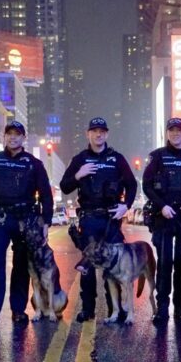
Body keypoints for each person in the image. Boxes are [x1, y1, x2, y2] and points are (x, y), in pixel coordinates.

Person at [0, 121, 54, 328]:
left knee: (21, 267)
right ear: (4, 137)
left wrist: (46, 221)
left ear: (23, 138)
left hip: (25, 220)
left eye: (17, 134)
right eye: (9, 134)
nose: (13, 138)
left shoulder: (33, 163)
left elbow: (46, 194)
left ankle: (18, 311)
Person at [60, 117, 137, 322]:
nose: (98, 134)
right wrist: (77, 175)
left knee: (114, 265)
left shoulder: (117, 159)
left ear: (107, 134)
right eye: (94, 130)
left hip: (111, 218)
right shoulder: (80, 159)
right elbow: (65, 186)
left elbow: (131, 184)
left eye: (102, 131)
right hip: (89, 219)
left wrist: (126, 205)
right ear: (88, 134)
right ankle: (88, 309)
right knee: (88, 266)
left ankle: (116, 308)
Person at [142, 117, 181, 324]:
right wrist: (162, 205)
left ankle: (180, 306)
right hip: (164, 217)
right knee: (164, 263)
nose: (175, 134)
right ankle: (162, 307)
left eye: (179, 130)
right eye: (172, 130)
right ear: (167, 133)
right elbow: (147, 185)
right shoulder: (158, 156)